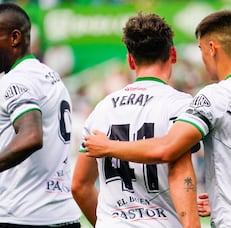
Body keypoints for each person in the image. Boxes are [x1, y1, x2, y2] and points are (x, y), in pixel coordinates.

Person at [83, 9, 231, 227]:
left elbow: (168, 149)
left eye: (201, 50)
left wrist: (109, 146)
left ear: (212, 49)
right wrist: (225, 201)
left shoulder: (214, 97)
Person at [71, 12, 200, 228]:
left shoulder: (101, 109)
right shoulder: (182, 105)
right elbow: (181, 170)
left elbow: (79, 186)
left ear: (131, 60)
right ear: (173, 54)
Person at [0, 3, 81, 228]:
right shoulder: (49, 75)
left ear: (14, 37)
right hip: (62, 215)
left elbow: (31, 136)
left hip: (23, 217)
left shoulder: (16, 80)